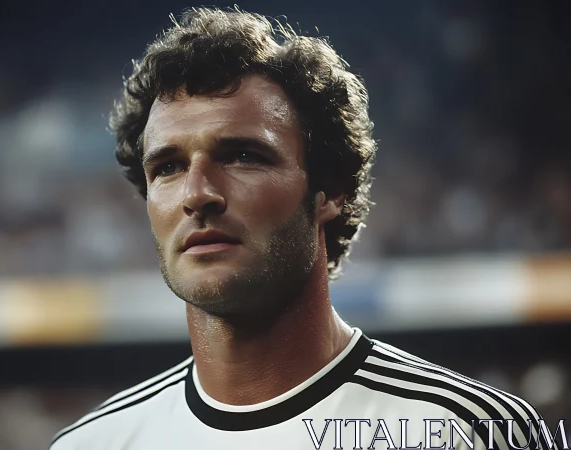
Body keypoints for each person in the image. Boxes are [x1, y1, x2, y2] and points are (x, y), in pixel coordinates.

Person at [50, 7, 551, 450]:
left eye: (242, 156)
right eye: (167, 167)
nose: (196, 193)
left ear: (328, 191)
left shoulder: (470, 432)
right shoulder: (91, 444)